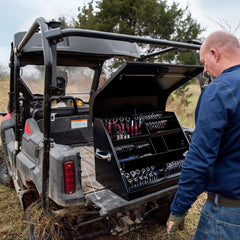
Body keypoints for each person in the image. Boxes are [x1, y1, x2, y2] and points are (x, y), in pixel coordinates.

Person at [166, 30, 240, 240]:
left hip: (229, 213)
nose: (205, 69)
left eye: (204, 61)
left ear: (215, 53)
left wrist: (178, 209)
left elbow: (199, 160)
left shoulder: (218, 90)